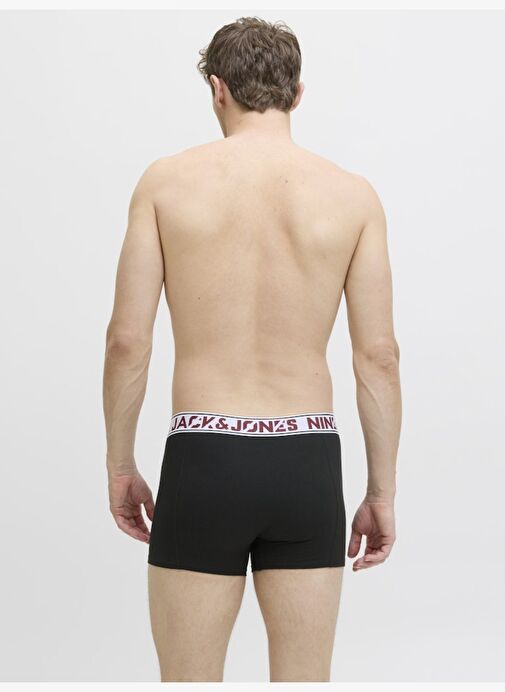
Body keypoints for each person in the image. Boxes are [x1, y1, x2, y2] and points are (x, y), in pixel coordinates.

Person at [102, 16, 402, 683]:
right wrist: (380, 490)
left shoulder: (165, 184)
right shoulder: (353, 197)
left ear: (217, 90)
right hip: (306, 460)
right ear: (297, 94)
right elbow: (378, 356)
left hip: (204, 455)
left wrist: (120, 464)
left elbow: (127, 342)